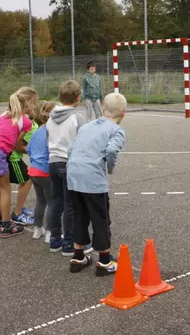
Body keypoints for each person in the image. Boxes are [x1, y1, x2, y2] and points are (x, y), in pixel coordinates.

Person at [66, 92, 128, 274]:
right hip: (93, 178)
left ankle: (77, 257)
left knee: (79, 216)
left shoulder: (86, 126)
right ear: (123, 113)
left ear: (102, 108)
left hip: (74, 175)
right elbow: (111, 151)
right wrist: (109, 168)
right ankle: (104, 261)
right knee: (100, 219)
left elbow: (71, 149)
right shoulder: (116, 130)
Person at [0, 87, 38, 238]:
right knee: (5, 189)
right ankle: (6, 225)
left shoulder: (4, 114)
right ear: (29, 103)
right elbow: (17, 143)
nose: (35, 106)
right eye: (34, 103)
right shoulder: (25, 122)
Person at [47, 80, 88, 256]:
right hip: (68, 162)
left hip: (53, 161)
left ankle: (55, 239)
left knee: (56, 202)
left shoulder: (51, 116)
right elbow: (84, 140)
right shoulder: (77, 117)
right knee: (71, 205)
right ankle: (70, 242)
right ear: (78, 97)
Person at [27, 101, 56, 241]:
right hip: (45, 171)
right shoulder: (51, 131)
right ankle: (51, 232)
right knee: (52, 202)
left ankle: (37, 229)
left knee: (40, 201)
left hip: (34, 170)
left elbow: (28, 149)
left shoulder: (37, 130)